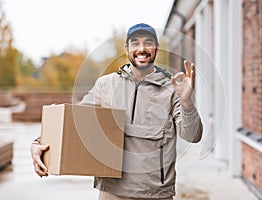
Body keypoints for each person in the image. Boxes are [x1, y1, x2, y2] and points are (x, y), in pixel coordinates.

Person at [31, 23, 203, 200]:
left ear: (157, 48)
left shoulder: (172, 89)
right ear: (126, 48)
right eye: (135, 43)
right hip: (112, 191)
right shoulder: (106, 85)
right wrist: (38, 143)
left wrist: (187, 101)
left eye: (148, 43)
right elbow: (74, 122)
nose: (141, 49)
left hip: (155, 194)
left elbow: (192, 136)